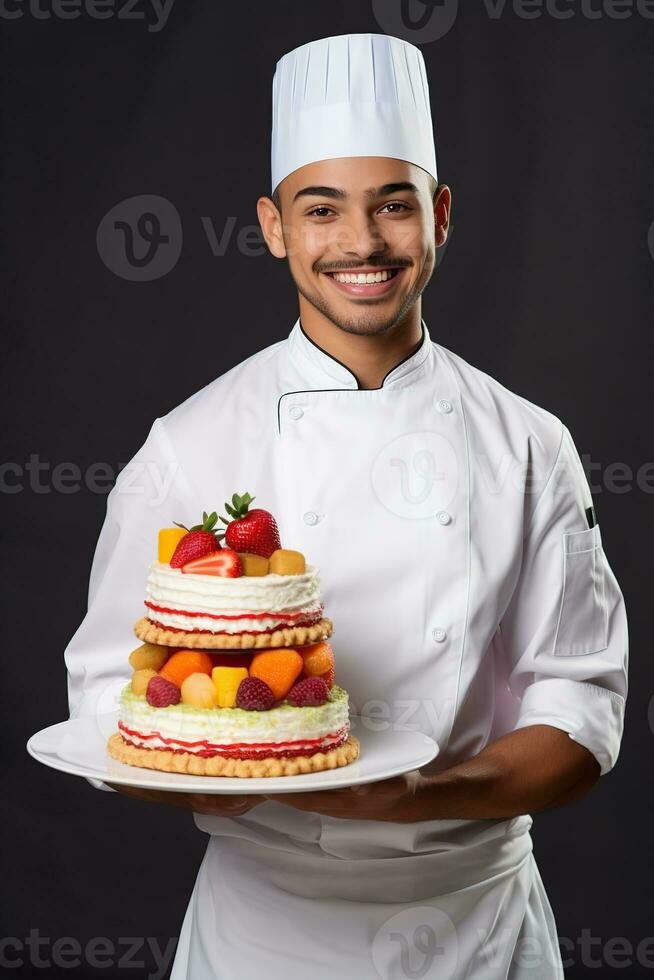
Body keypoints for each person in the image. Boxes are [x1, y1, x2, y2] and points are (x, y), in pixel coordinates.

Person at [64, 33, 628, 979]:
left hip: (477, 919)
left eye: (394, 206)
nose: (362, 243)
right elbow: (103, 697)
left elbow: (581, 702)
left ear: (440, 215)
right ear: (275, 225)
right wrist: (233, 774)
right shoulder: (192, 443)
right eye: (321, 209)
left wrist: (424, 795)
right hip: (265, 925)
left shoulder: (530, 442)